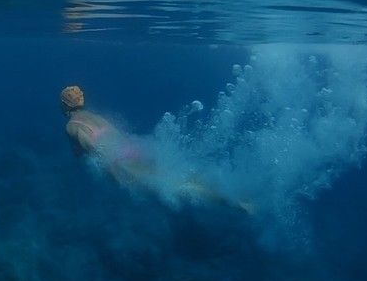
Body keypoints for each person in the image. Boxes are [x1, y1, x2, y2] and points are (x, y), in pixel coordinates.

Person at [60, 85, 253, 213]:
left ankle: (236, 204)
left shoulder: (72, 125)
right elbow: (116, 134)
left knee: (175, 187)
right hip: (132, 149)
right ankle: (231, 192)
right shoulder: (95, 116)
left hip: (121, 161)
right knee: (177, 176)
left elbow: (94, 147)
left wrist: (117, 175)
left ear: (65, 105)